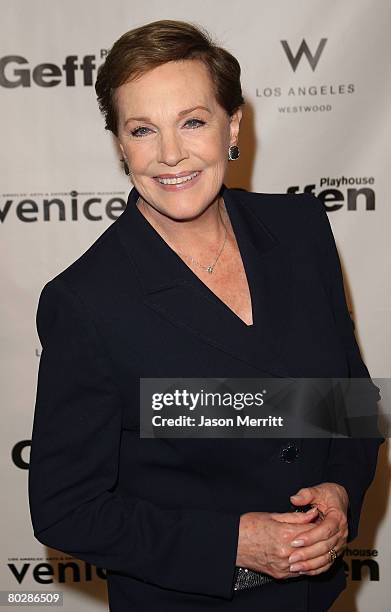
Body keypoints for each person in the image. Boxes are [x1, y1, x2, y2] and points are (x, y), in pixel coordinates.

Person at [28, 19, 383, 611]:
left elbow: (350, 399)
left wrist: (340, 489)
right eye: (143, 129)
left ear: (233, 126)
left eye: (193, 121)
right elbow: (67, 509)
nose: (171, 154)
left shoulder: (300, 230)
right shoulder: (86, 301)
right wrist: (233, 543)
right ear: (120, 144)